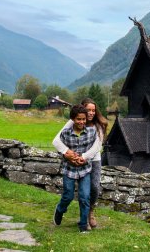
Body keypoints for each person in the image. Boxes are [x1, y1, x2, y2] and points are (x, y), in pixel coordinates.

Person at [53, 98, 107, 229]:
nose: (91, 113)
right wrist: (68, 153)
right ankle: (83, 221)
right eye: (88, 110)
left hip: (93, 160)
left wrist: (83, 157)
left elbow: (97, 146)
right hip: (73, 162)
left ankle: (90, 213)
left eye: (93, 110)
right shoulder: (72, 122)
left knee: (93, 188)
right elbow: (56, 140)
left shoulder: (97, 126)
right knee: (74, 194)